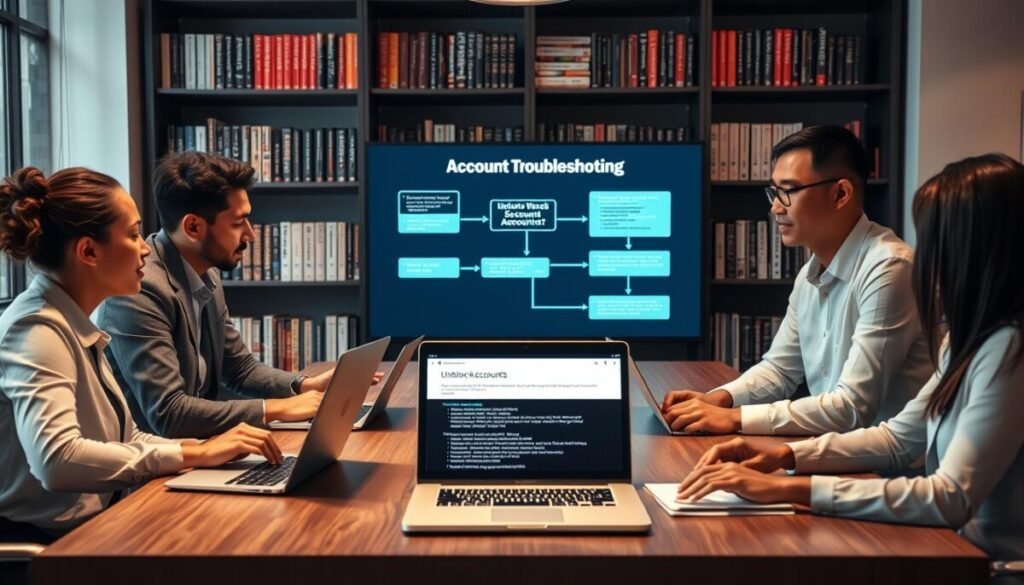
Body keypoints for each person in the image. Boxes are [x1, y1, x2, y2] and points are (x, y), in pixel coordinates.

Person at [676, 154, 1024, 576]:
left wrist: (789, 487)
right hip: (948, 548)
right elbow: (898, 438)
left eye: (935, 241)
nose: (927, 257)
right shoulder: (970, 340)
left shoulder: (1009, 348)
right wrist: (782, 454)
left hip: (991, 567)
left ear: (975, 250)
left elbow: (949, 496)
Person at [0, 166, 283, 542]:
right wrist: (191, 456)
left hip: (98, 524)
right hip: (50, 548)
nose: (146, 248)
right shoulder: (37, 330)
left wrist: (202, 449)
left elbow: (128, 435)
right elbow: (56, 460)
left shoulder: (70, 319)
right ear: (88, 251)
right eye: (133, 235)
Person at [662, 125, 932, 435]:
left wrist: (735, 419)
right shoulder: (810, 273)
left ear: (840, 193)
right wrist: (717, 400)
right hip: (836, 456)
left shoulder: (890, 268)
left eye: (788, 191)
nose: (775, 207)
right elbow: (780, 369)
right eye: (774, 192)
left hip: (887, 474)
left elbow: (853, 406)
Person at [95, 152, 378, 439]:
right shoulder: (141, 291)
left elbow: (239, 369)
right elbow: (169, 413)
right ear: (193, 227)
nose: (251, 235)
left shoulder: (206, 272)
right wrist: (276, 409)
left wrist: (305, 386)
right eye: (237, 223)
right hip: (151, 475)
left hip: (199, 453)